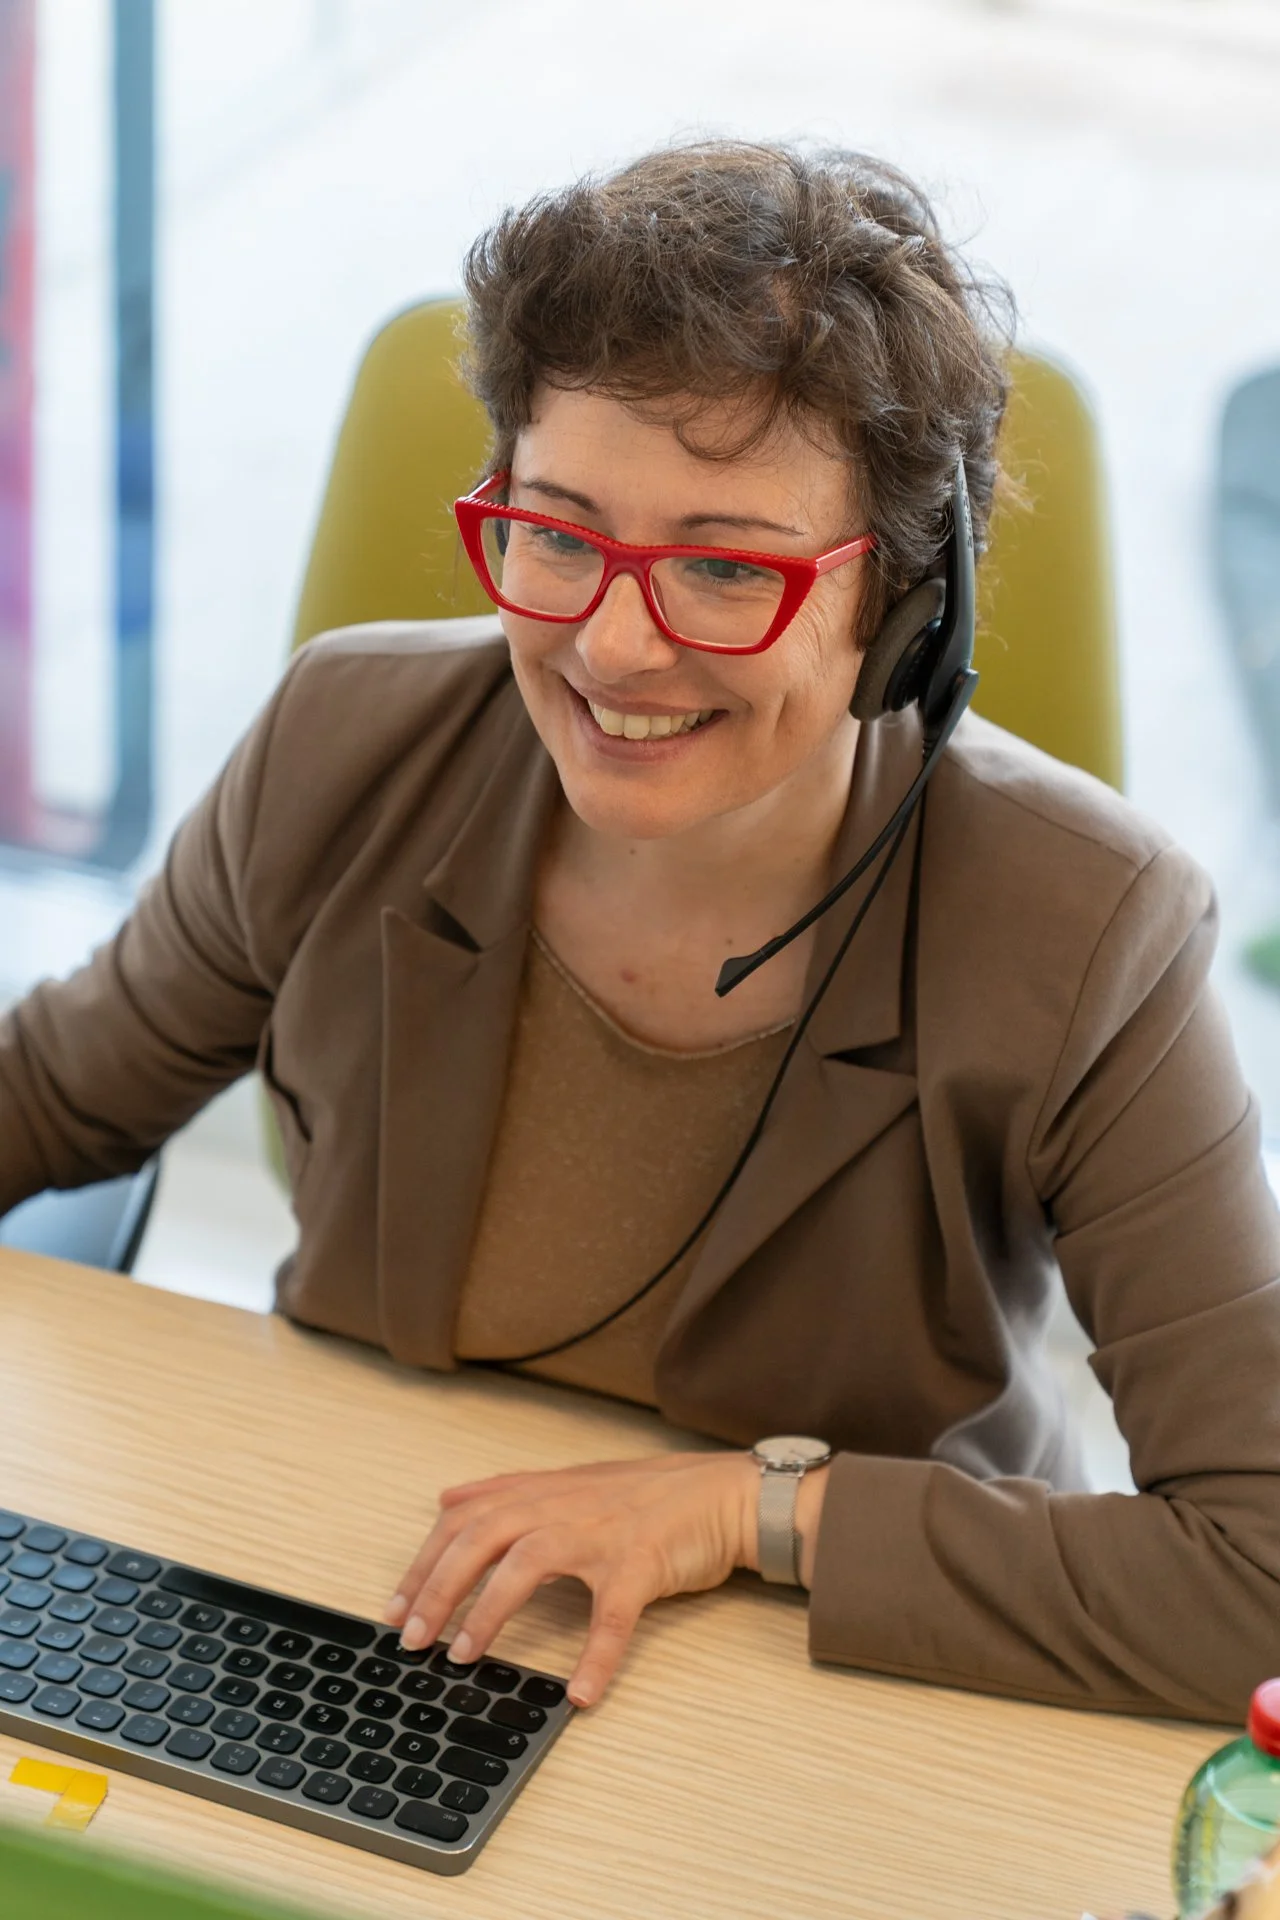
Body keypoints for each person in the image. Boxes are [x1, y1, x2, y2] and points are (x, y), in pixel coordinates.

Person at [3, 140, 1279, 1724]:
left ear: (903, 604)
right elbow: (51, 1097)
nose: (611, 647)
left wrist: (746, 1510)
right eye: (558, 533)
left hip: (835, 1695)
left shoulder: (1093, 925)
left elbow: (1260, 1574)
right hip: (372, 1595)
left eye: (725, 566)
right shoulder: (348, 738)